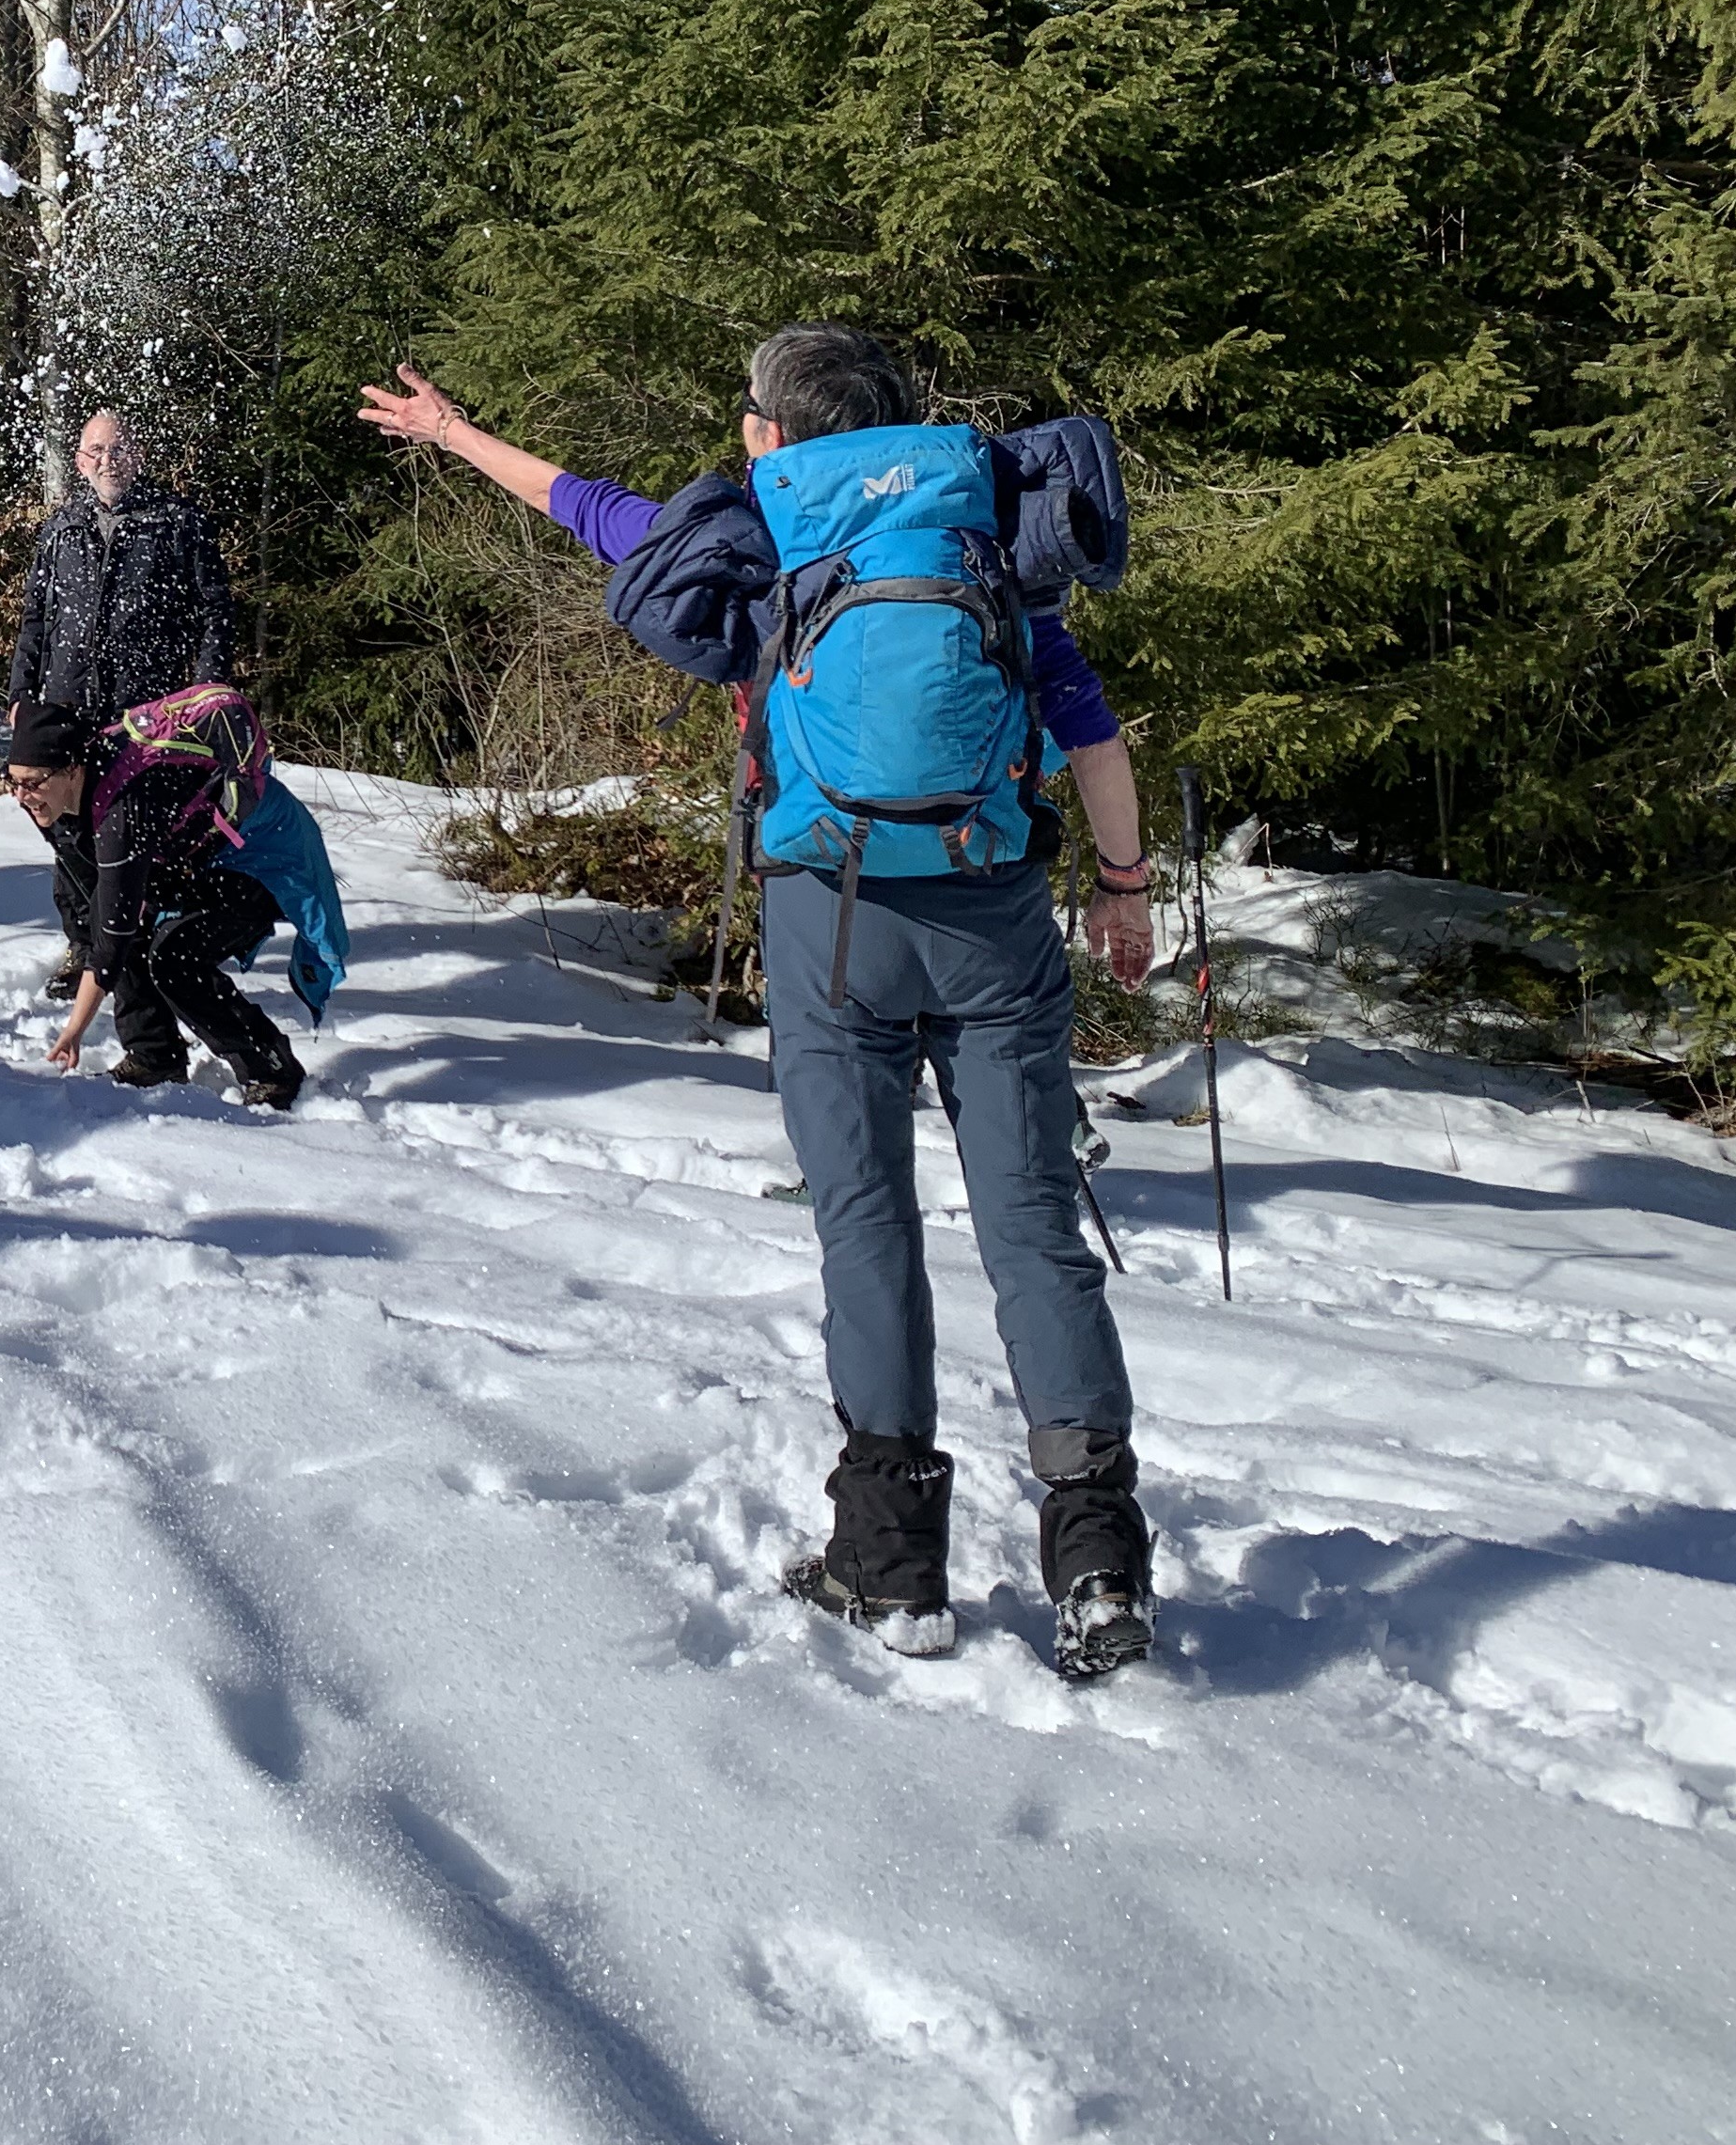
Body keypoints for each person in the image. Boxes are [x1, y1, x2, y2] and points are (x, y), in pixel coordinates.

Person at [358, 330, 1158, 1681]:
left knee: (865, 1223)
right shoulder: (985, 533)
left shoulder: (763, 541)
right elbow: (1091, 735)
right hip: (997, 917)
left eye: (747, 419)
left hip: (828, 924)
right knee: (1031, 1226)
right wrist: (1125, 890)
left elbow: (591, 512)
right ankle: (1098, 1564)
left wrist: (455, 435)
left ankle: (892, 1566)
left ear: (773, 438)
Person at [8, 409, 238, 997]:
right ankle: (85, 946)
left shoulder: (177, 520)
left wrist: (209, 688)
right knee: (62, 827)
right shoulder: (61, 525)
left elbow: (215, 610)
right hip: (66, 701)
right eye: (95, 450)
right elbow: (35, 618)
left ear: (137, 453)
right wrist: (20, 695)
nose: (106, 460)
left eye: (118, 448)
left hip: (144, 711)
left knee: (132, 832)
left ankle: (142, 945)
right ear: (80, 459)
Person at [4, 693, 309, 1109]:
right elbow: (107, 912)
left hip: (259, 856)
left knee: (175, 960)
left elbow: (111, 942)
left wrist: (74, 1030)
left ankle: (272, 1068)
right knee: (125, 923)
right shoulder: (67, 794)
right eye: (13, 780)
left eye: (34, 782)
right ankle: (155, 1057)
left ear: (72, 770)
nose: (21, 796)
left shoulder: (121, 809)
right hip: (199, 857)